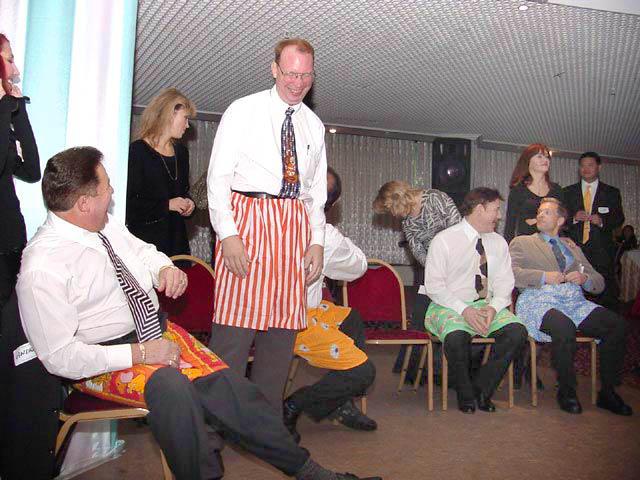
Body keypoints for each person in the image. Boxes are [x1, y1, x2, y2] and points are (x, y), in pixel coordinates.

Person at [17, 147, 381, 480]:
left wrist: (163, 268)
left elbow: (142, 252)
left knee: (233, 390)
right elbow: (61, 357)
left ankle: (310, 472)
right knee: (174, 391)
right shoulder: (42, 267)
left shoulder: (104, 225)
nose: (112, 192)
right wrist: (141, 353)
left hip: (154, 332)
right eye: (106, 187)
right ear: (83, 203)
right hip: (103, 359)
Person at [207, 38, 327, 413]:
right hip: (247, 222)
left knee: (280, 341)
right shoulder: (242, 110)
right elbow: (217, 178)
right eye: (290, 73)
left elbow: (316, 193)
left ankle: (267, 428)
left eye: (305, 76)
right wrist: (228, 234)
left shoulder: (314, 125)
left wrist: (317, 241)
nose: (297, 83)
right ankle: (213, 432)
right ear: (273, 69)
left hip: (293, 228)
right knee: (232, 340)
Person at [509, 198, 631, 415]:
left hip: (573, 301)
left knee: (617, 325)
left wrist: (584, 278)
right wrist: (544, 276)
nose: (540, 215)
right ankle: (567, 390)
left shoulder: (571, 247)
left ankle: (608, 392)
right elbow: (511, 273)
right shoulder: (522, 242)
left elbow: (598, 281)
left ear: (560, 220)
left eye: (547, 212)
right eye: (539, 211)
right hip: (538, 300)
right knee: (564, 327)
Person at [284, 167, 376, 442]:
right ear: (332, 205)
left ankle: (339, 402)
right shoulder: (324, 236)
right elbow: (358, 266)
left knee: (350, 319)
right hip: (292, 320)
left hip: (292, 312)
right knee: (363, 373)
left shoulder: (271, 220)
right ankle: (295, 404)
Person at [424, 187, 527, 413]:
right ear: (480, 209)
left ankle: (482, 389)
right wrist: (464, 310)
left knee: (517, 332)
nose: (499, 216)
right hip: (448, 304)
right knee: (456, 338)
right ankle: (466, 394)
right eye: (495, 210)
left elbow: (505, 282)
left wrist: (494, 308)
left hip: (485, 304)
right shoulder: (444, 240)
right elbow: (434, 286)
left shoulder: (498, 242)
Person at [372, 181, 461, 383]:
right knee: (420, 315)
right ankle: (413, 371)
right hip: (431, 269)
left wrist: (449, 266)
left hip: (456, 265)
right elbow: (417, 250)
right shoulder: (407, 222)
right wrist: (435, 269)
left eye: (390, 209)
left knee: (448, 315)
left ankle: (443, 371)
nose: (392, 215)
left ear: (397, 200)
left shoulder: (436, 199)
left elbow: (458, 231)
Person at [126, 87, 196, 257]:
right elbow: (129, 206)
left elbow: (183, 192)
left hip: (177, 243)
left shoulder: (182, 153)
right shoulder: (137, 151)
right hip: (145, 246)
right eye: (185, 118)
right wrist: (167, 205)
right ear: (169, 115)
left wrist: (189, 203)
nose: (187, 125)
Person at [0, 33, 40, 310]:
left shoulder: (4, 115)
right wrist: (6, 108)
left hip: (11, 239)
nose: (15, 71)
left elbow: (31, 171)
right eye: (9, 60)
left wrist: (19, 112)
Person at [563, 151, 624, 306]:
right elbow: (560, 219)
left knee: (605, 294)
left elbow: (619, 218)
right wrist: (574, 218)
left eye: (590, 165)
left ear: (599, 167)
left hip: (602, 251)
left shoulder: (611, 192)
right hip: (575, 249)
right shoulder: (567, 192)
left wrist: (602, 220)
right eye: (582, 166)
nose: (586, 169)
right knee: (574, 291)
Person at [503, 143, 563, 244]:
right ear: (528, 161)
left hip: (550, 243)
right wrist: (508, 248)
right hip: (526, 243)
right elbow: (510, 225)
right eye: (539, 156)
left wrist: (534, 221)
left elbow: (562, 220)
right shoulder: (518, 190)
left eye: (547, 157)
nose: (545, 160)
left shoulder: (556, 190)